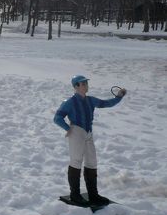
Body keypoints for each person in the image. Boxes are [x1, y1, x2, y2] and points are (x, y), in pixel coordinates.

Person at [53, 75, 126, 206]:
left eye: (86, 83)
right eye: (83, 83)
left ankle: (93, 194)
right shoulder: (69, 102)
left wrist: (119, 97)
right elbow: (57, 117)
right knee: (76, 161)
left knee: (92, 162)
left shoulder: (90, 100)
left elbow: (105, 103)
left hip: (88, 132)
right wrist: (67, 128)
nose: (86, 85)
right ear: (76, 86)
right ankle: (74, 195)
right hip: (76, 131)